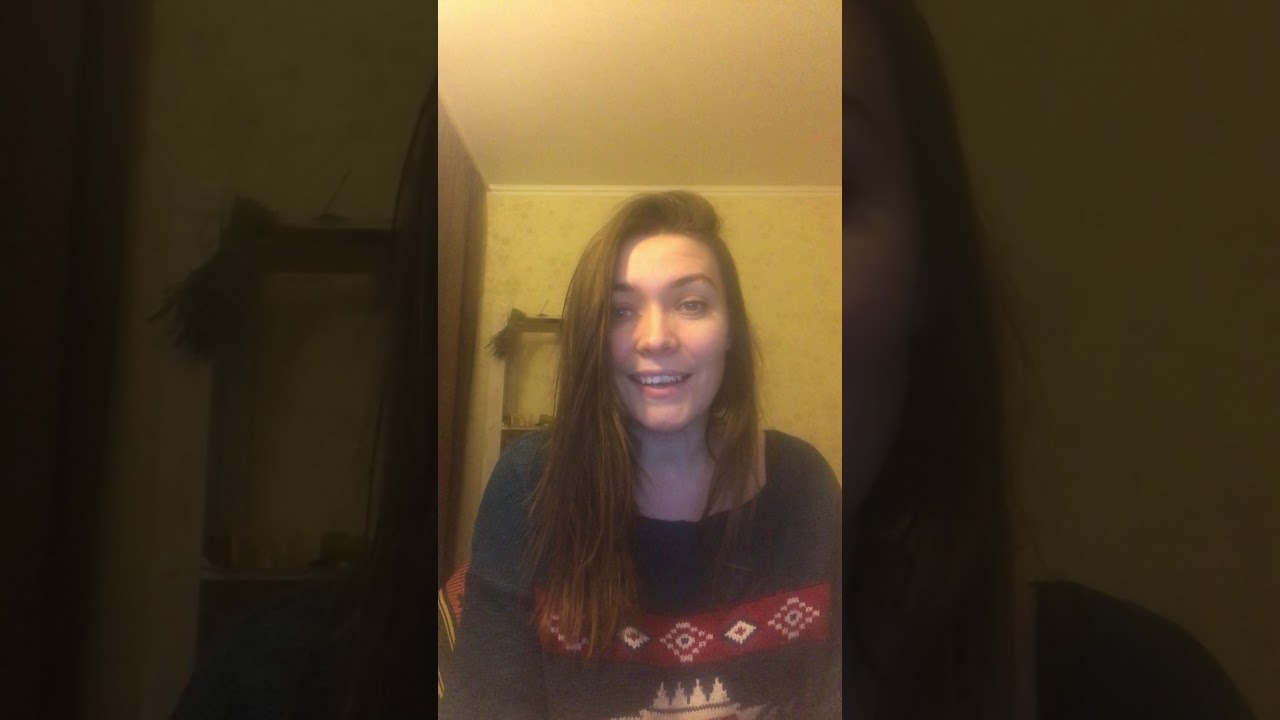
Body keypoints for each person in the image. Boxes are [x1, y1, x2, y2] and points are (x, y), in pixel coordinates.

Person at [439, 190, 843, 719]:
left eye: (691, 304)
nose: (655, 338)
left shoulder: (806, 486)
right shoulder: (527, 486)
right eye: (621, 310)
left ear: (731, 332)